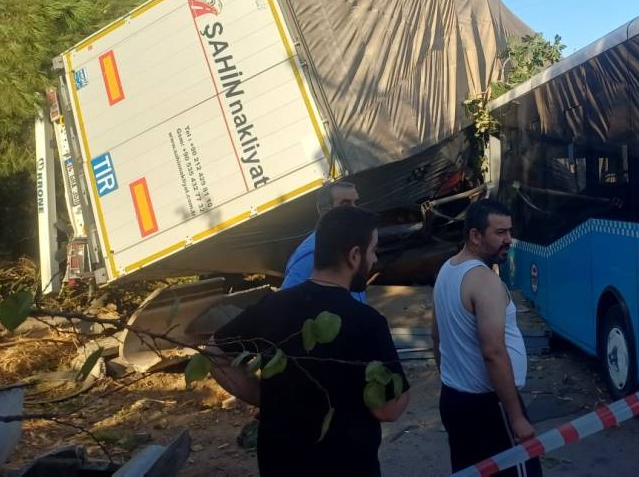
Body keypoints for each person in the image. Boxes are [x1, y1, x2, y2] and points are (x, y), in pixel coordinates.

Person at [210, 206, 409, 477]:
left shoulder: (271, 306)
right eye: (373, 250)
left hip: (280, 465)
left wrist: (263, 397)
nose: (374, 259)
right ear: (354, 255)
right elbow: (388, 410)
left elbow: (213, 352)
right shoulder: (367, 323)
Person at [432, 199, 542, 477]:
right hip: (489, 407)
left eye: (509, 231)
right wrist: (516, 417)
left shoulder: (446, 270)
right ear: (475, 235)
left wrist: (453, 378)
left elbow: (436, 336)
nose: (509, 240)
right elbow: (493, 352)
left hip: (454, 400)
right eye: (500, 233)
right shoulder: (485, 281)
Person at [282, 181, 366, 301]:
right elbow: (285, 303)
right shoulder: (312, 254)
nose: (356, 210)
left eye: (356, 203)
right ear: (325, 212)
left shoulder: (349, 243)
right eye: (346, 204)